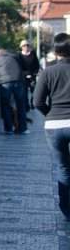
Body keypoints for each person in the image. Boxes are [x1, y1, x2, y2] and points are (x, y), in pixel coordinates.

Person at [33, 32, 70, 221]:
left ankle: (67, 210)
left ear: (55, 52)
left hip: (54, 124)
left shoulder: (48, 72)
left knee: (64, 167)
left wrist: (50, 114)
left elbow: (37, 101)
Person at [0, 48, 29, 135]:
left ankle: (8, 129)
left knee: (5, 106)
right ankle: (23, 129)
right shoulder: (16, 55)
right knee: (21, 105)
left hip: (4, 83)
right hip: (18, 81)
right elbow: (26, 66)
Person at [20, 40, 40, 110]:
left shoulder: (33, 54)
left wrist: (34, 73)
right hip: (23, 77)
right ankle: (26, 105)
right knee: (24, 92)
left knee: (34, 91)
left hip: (32, 76)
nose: (26, 47)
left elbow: (37, 65)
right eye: (24, 46)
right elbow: (19, 67)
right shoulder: (19, 55)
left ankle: (32, 103)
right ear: (22, 47)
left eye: (27, 45)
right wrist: (24, 74)